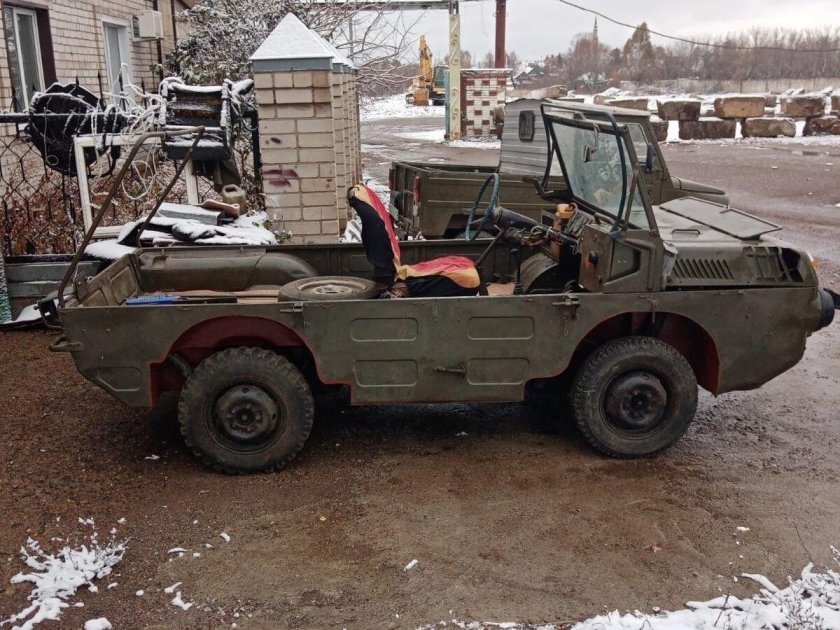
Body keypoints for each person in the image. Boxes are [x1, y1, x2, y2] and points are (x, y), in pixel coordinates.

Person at [347, 184, 480, 298]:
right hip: (463, 276)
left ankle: (401, 289)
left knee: (462, 276)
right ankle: (400, 289)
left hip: (464, 277)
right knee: (463, 278)